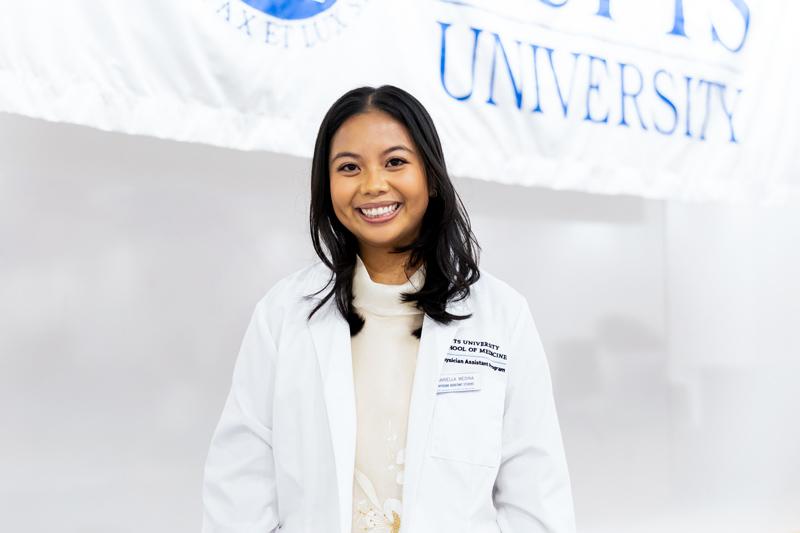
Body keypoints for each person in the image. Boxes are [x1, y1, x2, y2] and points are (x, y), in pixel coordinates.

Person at [201, 85, 576, 533]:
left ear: (431, 176)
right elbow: (240, 484)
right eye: (349, 167)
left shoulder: (501, 316)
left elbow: (535, 494)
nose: (373, 184)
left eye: (395, 161)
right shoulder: (284, 314)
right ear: (327, 185)